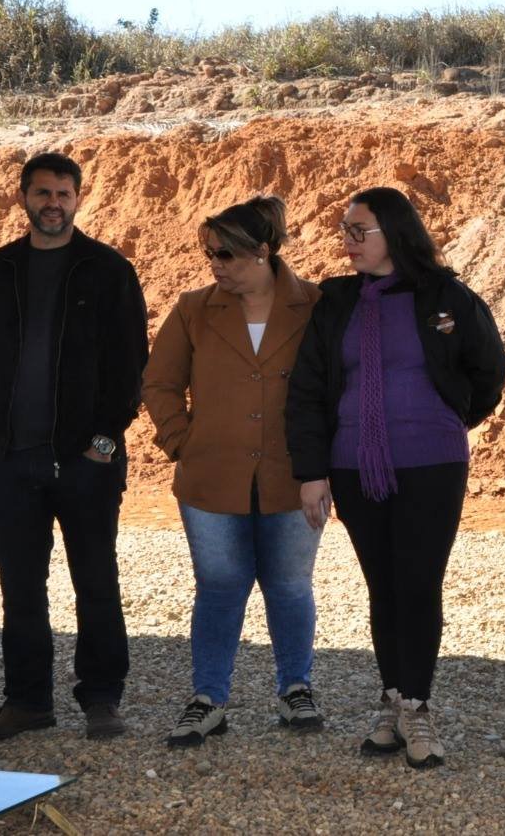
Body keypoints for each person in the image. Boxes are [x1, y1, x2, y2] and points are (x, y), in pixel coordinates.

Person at [286, 187, 505, 769]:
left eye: (360, 231)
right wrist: (311, 473)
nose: (348, 241)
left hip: (431, 463)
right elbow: (307, 389)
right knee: (383, 585)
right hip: (354, 465)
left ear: (395, 234)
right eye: (345, 230)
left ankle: (417, 706)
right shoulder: (336, 301)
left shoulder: (444, 295)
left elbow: (490, 367)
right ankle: (391, 700)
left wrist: (447, 417)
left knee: (418, 581)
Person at [0, 152, 148, 742]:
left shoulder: (108, 270)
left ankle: (101, 700)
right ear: (23, 198)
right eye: (42, 193)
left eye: (63, 193)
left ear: (78, 198)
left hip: (84, 462)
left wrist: (102, 445)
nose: (53, 204)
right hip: (7, 463)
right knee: (22, 588)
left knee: (95, 580)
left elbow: (130, 367)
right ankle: (29, 701)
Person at [142, 196, 326, 748]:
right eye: (209, 253)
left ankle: (296, 687)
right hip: (209, 479)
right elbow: (159, 383)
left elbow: (334, 386)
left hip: (294, 476)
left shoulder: (315, 304)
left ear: (262, 251)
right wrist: (184, 442)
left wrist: (325, 461)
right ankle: (208, 699)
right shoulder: (193, 307)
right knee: (219, 587)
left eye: (225, 253)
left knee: (290, 587)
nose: (214, 264)